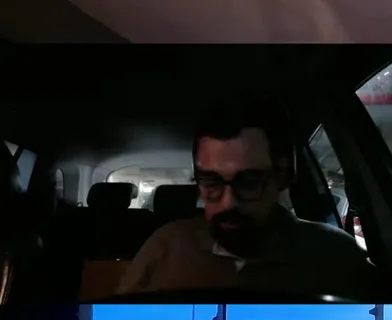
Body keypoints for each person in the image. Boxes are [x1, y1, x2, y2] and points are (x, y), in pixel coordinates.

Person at [116, 96, 378, 298]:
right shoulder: (165, 248)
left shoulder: (336, 255)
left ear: (283, 176)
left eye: (249, 182)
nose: (228, 202)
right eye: (211, 182)